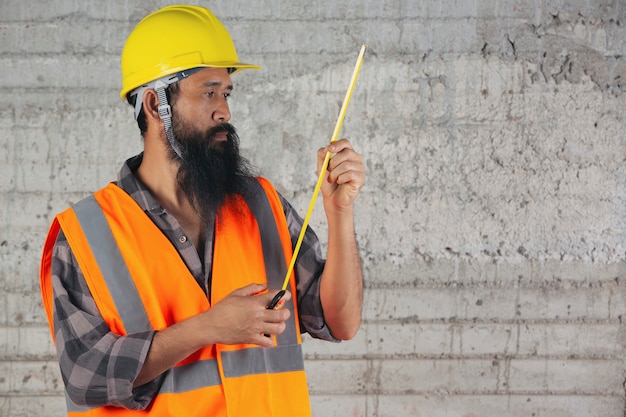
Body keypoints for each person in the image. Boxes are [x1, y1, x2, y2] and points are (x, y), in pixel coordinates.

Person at [39, 5, 365, 417]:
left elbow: (340, 322)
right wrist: (209, 327)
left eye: (226, 93)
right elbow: (84, 375)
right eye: (209, 91)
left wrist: (340, 213)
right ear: (156, 105)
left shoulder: (261, 204)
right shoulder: (87, 234)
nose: (224, 110)